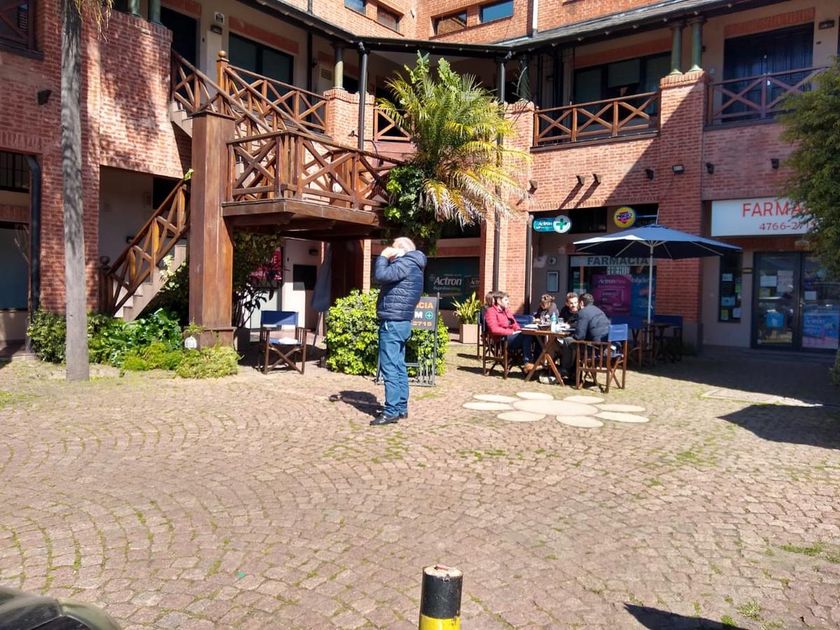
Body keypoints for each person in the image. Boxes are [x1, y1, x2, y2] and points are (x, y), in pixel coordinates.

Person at [371, 237, 427, 426]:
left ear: (399, 251)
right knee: (399, 365)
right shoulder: (415, 266)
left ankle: (391, 411)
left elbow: (380, 276)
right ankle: (401, 407)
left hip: (392, 322)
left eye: (393, 250)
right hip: (402, 322)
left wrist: (383, 256)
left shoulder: (404, 264)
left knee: (389, 368)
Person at [560, 293, 611, 378]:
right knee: (576, 344)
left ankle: (565, 370)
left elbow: (579, 336)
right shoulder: (599, 311)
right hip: (607, 347)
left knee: (567, 341)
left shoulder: (583, 312)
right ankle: (574, 373)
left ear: (581, 303)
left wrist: (573, 336)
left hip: (595, 348)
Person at [484, 291, 534, 371]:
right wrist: (511, 332)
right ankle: (528, 364)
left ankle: (539, 363)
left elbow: (514, 323)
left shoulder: (506, 311)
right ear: (499, 301)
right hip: (501, 339)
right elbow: (494, 329)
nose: (508, 302)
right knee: (527, 336)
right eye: (506, 300)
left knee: (534, 334)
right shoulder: (491, 311)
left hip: (511, 336)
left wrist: (518, 330)